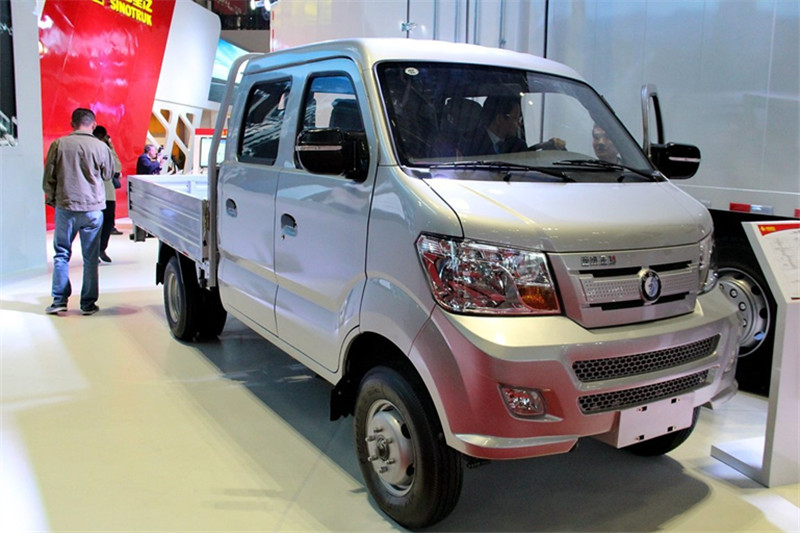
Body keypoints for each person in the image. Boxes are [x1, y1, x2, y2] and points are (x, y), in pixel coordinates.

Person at [42, 107, 114, 315]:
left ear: (72, 124)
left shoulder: (59, 144)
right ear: (93, 124)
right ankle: (88, 303)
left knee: (62, 254)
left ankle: (59, 300)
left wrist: (53, 199)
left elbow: (48, 178)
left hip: (66, 207)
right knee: (90, 258)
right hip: (93, 209)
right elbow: (108, 175)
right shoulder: (101, 147)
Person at [461, 95, 528, 155]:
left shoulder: (518, 146)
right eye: (515, 119)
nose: (519, 124)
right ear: (499, 119)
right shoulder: (469, 144)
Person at [93, 125, 122, 262]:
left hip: (98, 194)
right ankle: (99, 250)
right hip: (103, 193)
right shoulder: (105, 149)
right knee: (104, 223)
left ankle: (97, 250)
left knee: (100, 224)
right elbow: (117, 166)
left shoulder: (90, 148)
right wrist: (111, 147)